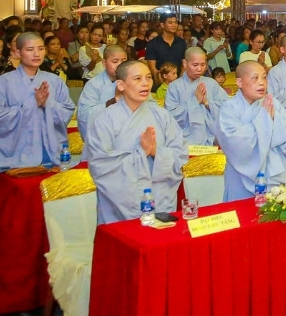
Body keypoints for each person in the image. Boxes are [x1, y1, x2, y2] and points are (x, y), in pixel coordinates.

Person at [87, 61, 187, 223]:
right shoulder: (105, 120)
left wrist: (156, 152)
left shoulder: (162, 116)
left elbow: (180, 153)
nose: (145, 83)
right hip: (119, 205)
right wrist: (141, 154)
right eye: (137, 78)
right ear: (121, 85)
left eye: (148, 77)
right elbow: (99, 165)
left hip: (160, 196)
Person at [215, 61, 286, 201]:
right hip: (241, 177)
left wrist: (275, 120)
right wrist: (265, 120)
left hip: (276, 172)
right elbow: (233, 141)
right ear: (239, 82)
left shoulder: (272, 102)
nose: (262, 83)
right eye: (255, 78)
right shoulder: (229, 108)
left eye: (264, 77)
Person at [0, 33, 75, 171]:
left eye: (40, 49)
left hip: (52, 157)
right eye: (30, 50)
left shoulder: (55, 81)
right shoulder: (4, 82)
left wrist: (48, 104)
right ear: (18, 51)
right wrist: (33, 103)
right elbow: (2, 118)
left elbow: (68, 110)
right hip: (16, 155)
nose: (36, 54)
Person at [165, 47, 229, 146]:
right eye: (195, 65)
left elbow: (227, 108)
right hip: (186, 137)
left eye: (203, 64)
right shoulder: (174, 87)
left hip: (214, 136)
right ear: (185, 63)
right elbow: (170, 117)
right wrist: (194, 102)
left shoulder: (211, 83)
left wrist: (207, 103)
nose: (199, 69)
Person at [76, 45, 128, 161]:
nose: (120, 65)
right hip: (101, 145)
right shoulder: (93, 84)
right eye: (115, 61)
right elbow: (84, 115)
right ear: (104, 63)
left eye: (124, 61)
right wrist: (114, 101)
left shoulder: (134, 82)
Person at [146, 15, 188, 86]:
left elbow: (184, 64)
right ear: (162, 25)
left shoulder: (181, 42)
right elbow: (153, 68)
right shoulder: (152, 44)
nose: (174, 25)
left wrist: (179, 81)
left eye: (175, 22)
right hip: (160, 84)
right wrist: (163, 84)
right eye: (170, 23)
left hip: (179, 82)